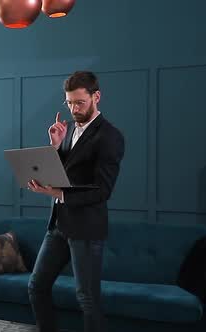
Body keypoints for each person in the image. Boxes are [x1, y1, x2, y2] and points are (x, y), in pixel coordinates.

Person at [26, 71, 125, 332]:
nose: (73, 108)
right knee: (37, 286)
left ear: (97, 97)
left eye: (79, 102)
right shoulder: (68, 130)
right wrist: (56, 145)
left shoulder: (110, 137)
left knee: (87, 298)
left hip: (87, 229)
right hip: (59, 224)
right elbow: (65, 173)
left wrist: (57, 193)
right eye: (69, 103)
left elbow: (102, 191)